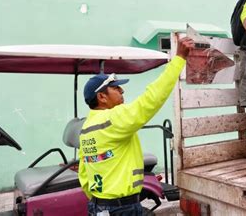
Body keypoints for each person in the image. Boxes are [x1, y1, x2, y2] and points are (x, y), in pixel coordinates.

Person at [78, 37, 194, 216]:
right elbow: (151, 99)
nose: (122, 91)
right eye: (116, 88)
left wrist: (101, 200)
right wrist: (179, 59)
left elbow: (84, 175)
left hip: (98, 206)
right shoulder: (112, 119)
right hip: (121, 209)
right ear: (102, 97)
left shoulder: (86, 129)